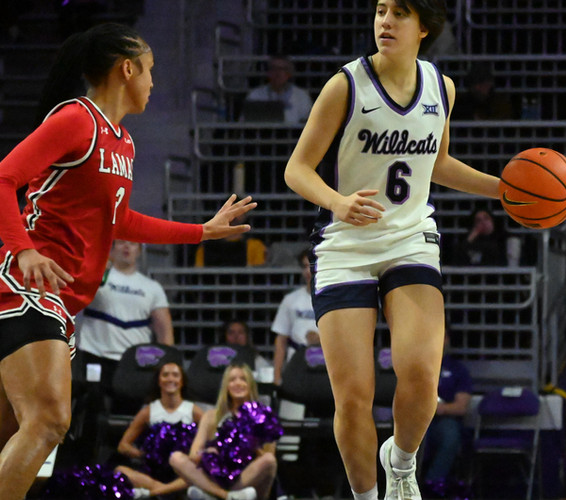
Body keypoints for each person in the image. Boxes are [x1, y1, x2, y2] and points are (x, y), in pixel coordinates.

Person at [0, 23, 257, 500]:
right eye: (150, 70)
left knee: (3, 438)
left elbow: (121, 220)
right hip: (26, 289)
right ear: (126, 68)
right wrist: (25, 249)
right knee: (49, 421)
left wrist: (201, 231)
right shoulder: (76, 119)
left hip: (58, 301)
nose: (153, 82)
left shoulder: (124, 143)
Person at [282, 2, 501, 499]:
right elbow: (297, 168)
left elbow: (437, 163)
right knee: (355, 397)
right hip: (345, 246)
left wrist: (502, 188)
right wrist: (337, 202)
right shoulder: (346, 85)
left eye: (399, 13)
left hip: (409, 239)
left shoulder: (440, 87)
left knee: (422, 374)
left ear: (424, 27)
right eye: (380, 10)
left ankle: (400, 464)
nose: (385, 21)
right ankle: (365, 496)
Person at [169, 364, 282, 500]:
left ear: (250, 385)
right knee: (176, 458)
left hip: (246, 479)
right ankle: (225, 496)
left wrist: (251, 445)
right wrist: (208, 452)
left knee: (269, 461)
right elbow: (194, 455)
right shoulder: (211, 416)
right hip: (216, 475)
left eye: (243, 379)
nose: (238, 383)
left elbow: (269, 462)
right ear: (226, 386)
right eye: (232, 379)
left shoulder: (262, 416)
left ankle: (212, 495)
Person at [76, 239, 174, 390]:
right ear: (112, 247)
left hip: (135, 363)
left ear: (140, 251)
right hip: (94, 355)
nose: (127, 246)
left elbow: (165, 333)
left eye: (133, 244)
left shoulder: (153, 288)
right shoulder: (98, 276)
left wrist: (166, 365)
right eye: (122, 242)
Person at [115, 362, 204, 497]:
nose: (170, 379)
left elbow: (212, 439)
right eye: (165, 375)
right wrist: (146, 455)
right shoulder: (148, 411)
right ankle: (167, 491)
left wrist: (194, 455)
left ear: (182, 381)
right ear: (158, 381)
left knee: (203, 473)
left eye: (175, 375)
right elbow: (123, 446)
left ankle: (156, 493)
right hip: (153, 473)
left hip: (183, 472)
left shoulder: (193, 410)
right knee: (119, 470)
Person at [421, 331, 471, 487]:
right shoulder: (415, 366)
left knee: (450, 435)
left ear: (447, 339)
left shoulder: (458, 370)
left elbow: (461, 407)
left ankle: (432, 485)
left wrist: (438, 409)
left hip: (444, 420)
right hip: (416, 421)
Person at [271, 249, 318, 386]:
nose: (308, 272)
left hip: (326, 366)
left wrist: (322, 341)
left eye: (313, 266)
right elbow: (281, 340)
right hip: (296, 364)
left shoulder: (335, 300)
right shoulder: (290, 300)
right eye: (305, 266)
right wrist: (277, 376)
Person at [241, 54, 314, 125]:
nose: (277, 73)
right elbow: (244, 123)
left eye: (282, 69)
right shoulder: (255, 95)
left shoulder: (302, 96)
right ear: (268, 72)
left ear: (289, 73)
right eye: (273, 68)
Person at [195, 214, 267, 267]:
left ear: (245, 215)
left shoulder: (255, 246)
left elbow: (258, 276)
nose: (234, 214)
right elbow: (199, 275)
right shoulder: (205, 247)